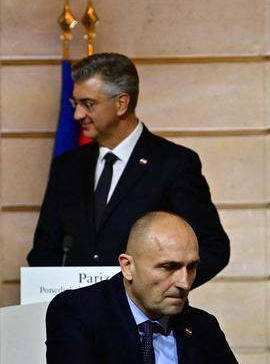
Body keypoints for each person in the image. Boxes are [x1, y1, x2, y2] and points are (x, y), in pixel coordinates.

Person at [28, 211, 270, 364]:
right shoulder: (78, 309)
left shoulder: (201, 330)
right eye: (168, 267)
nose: (183, 282)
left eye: (191, 267)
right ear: (127, 266)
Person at [27, 52, 229, 287]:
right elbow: (45, 248)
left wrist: (162, 289)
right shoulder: (67, 166)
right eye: (76, 103)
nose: (77, 114)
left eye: (88, 104)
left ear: (121, 103)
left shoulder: (173, 164)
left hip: (145, 319)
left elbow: (213, 247)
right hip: (76, 317)